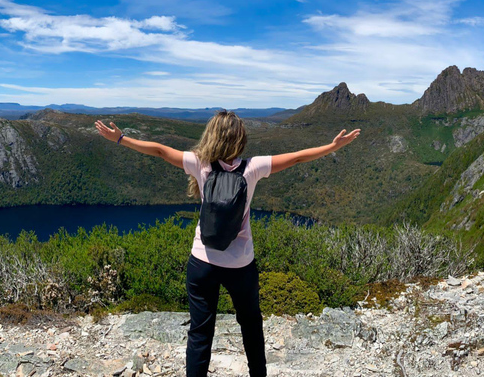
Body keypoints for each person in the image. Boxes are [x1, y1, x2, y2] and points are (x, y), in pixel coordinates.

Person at [95, 111, 360, 377]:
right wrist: (333, 146)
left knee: (200, 332)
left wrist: (121, 139)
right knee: (251, 325)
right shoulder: (252, 167)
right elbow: (298, 157)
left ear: (211, 136)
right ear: (240, 139)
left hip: (202, 262)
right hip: (241, 264)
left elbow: (161, 151)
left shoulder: (200, 164)